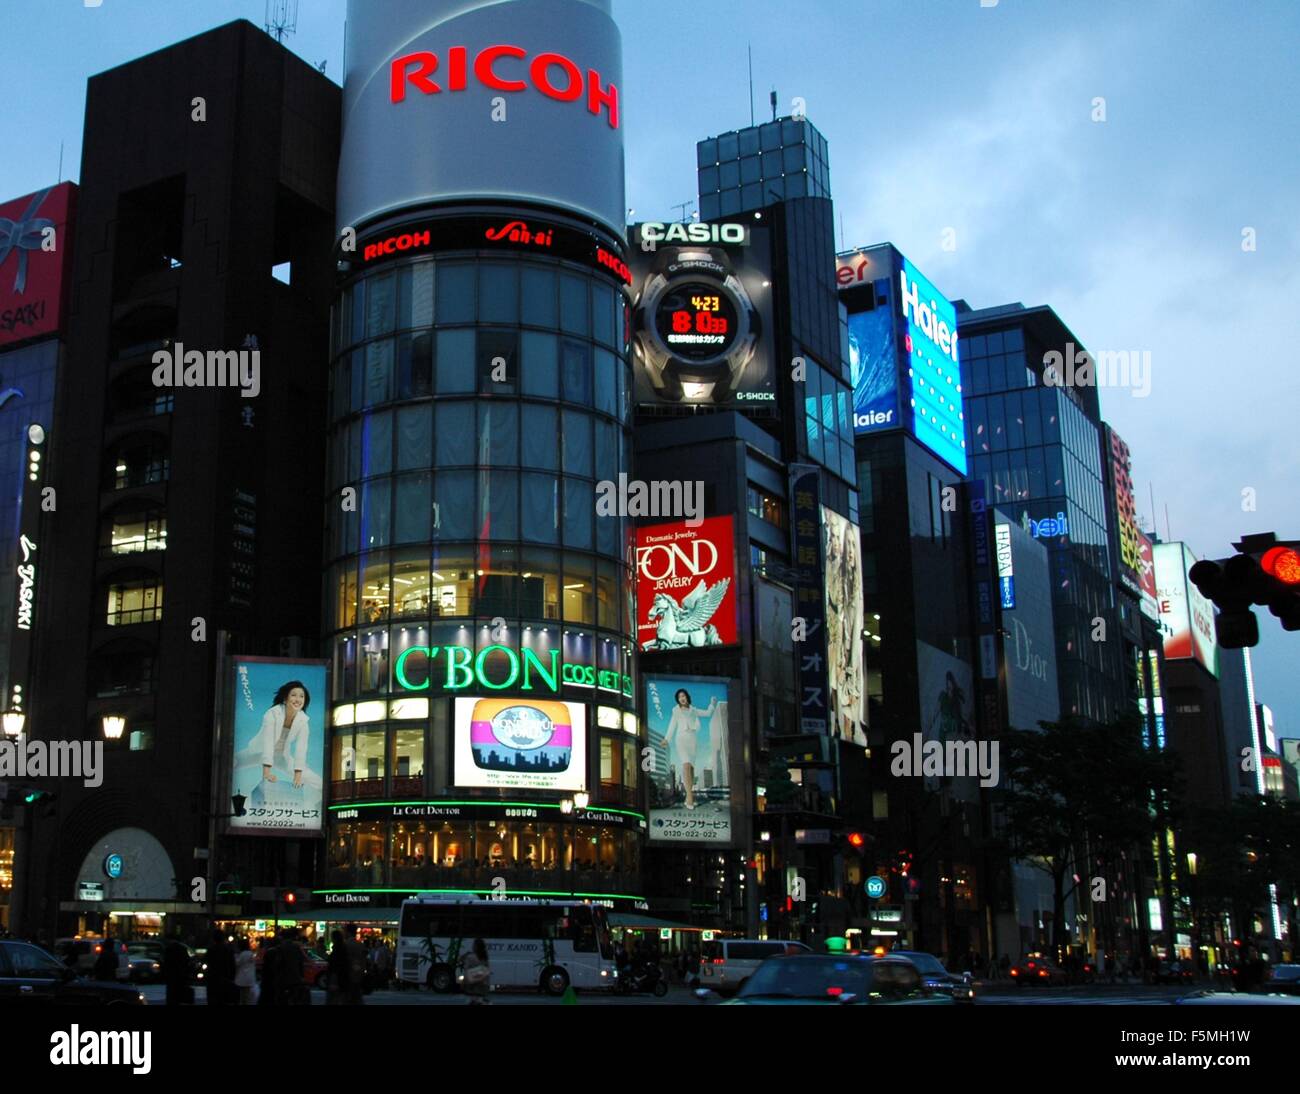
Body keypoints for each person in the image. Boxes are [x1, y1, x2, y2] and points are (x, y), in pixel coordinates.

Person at [661, 688, 718, 810]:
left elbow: (708, 713)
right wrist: (667, 739)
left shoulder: (694, 710)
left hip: (693, 741)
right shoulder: (675, 710)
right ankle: (690, 797)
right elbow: (672, 725)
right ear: (678, 700)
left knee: (691, 769)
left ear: (687, 697)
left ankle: (688, 796)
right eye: (679, 697)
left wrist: (712, 704)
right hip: (681, 739)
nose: (682, 698)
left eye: (683, 696)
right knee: (686, 765)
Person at [206, 930, 236, 1005]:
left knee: (213, 999)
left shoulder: (211, 949)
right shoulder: (228, 950)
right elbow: (232, 965)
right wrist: (231, 977)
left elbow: (207, 962)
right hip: (225, 978)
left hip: (213, 978)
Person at [327, 930, 354, 1006]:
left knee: (335, 999)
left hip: (336, 978)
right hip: (343, 979)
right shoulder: (344, 948)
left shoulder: (337, 949)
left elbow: (334, 965)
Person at [163, 935, 193, 1005]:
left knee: (172, 997)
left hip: (172, 977)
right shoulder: (183, 948)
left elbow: (166, 963)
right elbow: (187, 962)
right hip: (181, 976)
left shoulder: (169, 949)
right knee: (180, 996)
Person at [461, 938, 491, 1005]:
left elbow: (466, 972)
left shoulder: (470, 957)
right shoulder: (485, 957)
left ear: (475, 947)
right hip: (483, 986)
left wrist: (463, 983)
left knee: (471, 1001)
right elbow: (487, 972)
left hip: (472, 987)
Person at [258, 933, 281, 1006]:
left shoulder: (269, 952)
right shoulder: (278, 952)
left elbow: (265, 966)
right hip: (274, 980)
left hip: (267, 980)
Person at [234, 937, 257, 1004]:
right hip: (250, 977)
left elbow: (237, 963)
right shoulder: (251, 954)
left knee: (243, 996)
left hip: (242, 977)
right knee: (247, 995)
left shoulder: (242, 954)